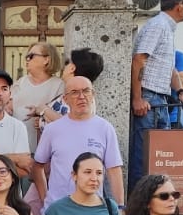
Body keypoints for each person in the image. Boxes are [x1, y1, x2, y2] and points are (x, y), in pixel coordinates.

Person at [130, 0, 183, 187]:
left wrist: (181, 92)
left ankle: (154, 199)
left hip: (160, 100)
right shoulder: (158, 26)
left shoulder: (166, 28)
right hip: (149, 98)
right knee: (144, 158)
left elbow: (170, 69)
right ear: (180, 6)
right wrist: (137, 98)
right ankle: (138, 205)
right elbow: (139, 60)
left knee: (159, 158)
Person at [33, 59, 124, 207]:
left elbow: (114, 170)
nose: (81, 97)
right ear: (65, 99)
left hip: (93, 209)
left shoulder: (105, 128)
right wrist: (46, 200)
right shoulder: (52, 129)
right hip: (58, 209)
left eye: (86, 91)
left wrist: (120, 207)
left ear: (93, 94)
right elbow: (37, 167)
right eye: (74, 93)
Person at [11, 40, 65, 157]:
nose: (27, 59)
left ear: (47, 60)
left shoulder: (59, 86)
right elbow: (8, 109)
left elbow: (64, 120)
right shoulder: (20, 83)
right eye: (26, 56)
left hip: (45, 152)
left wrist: (43, 117)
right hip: (17, 149)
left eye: (31, 56)